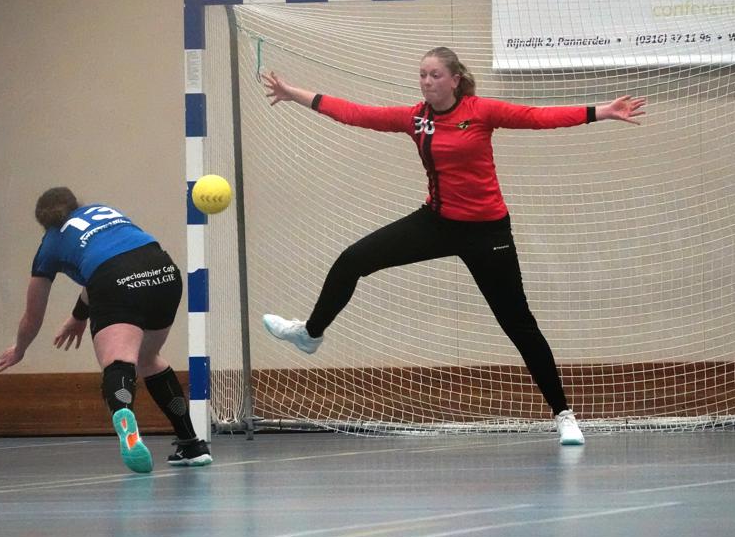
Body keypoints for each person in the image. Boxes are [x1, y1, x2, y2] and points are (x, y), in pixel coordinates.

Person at [260, 46, 646, 445]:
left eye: (435, 75)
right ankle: (310, 334)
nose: (427, 82)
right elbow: (354, 113)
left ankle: (564, 415)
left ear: (455, 80)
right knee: (352, 259)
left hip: (488, 233)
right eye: (422, 75)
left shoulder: (481, 111)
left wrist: (600, 111)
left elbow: (537, 117)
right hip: (437, 223)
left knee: (518, 324)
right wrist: (293, 93)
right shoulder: (415, 119)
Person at [0, 187, 213, 473]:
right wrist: (78, 317)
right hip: (163, 272)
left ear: (44, 223)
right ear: (76, 203)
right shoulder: (104, 211)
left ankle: (124, 416)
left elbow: (33, 316)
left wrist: (20, 349)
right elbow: (117, 259)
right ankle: (192, 445)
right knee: (148, 358)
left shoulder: (50, 244)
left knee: (119, 361)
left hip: (114, 279)